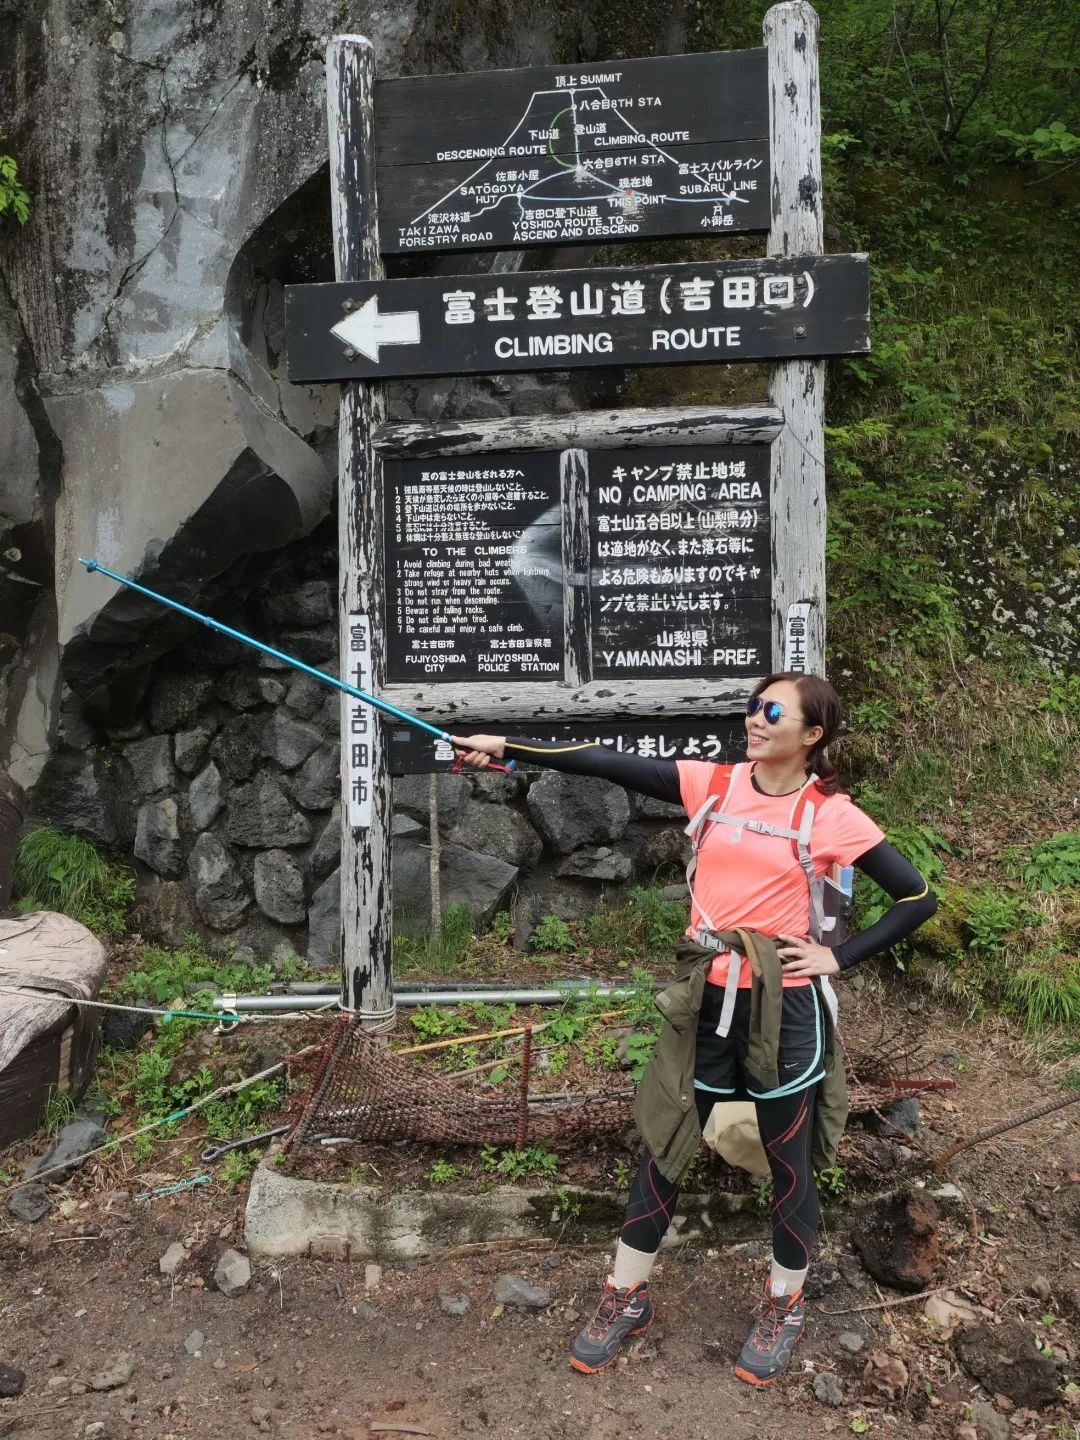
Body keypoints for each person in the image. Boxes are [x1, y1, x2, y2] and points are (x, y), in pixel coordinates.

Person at [453, 671, 937, 1385]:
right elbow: (600, 758)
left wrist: (838, 954)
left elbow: (917, 897)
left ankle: (785, 1306)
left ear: (811, 735)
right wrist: (509, 748)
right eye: (753, 706)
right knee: (668, 1138)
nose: (755, 719)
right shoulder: (713, 784)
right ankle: (625, 1294)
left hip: (785, 1009)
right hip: (705, 999)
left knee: (786, 1158)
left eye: (773, 711)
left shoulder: (831, 814)